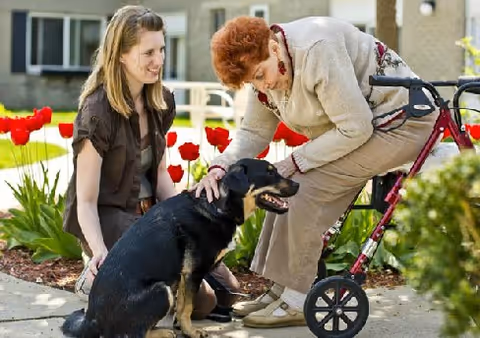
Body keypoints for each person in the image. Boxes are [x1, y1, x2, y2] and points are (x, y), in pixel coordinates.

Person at [193, 15, 439, 328]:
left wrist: (297, 160)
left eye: (260, 75)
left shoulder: (316, 49)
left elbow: (355, 127)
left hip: (403, 123)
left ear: (272, 45)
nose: (262, 86)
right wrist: (221, 164)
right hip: (363, 128)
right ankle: (280, 290)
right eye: (252, 83)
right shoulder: (265, 66)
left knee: (303, 189)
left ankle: (295, 299)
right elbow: (254, 132)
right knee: (283, 187)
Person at [62, 5, 240, 321]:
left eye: (161, 49)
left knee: (229, 293)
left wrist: (191, 222)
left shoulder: (161, 102)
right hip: (111, 218)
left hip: (151, 216)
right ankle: (101, 283)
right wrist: (100, 252)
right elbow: (86, 201)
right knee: (203, 302)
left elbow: (159, 174)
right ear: (120, 55)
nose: (158, 61)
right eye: (148, 53)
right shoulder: (97, 113)